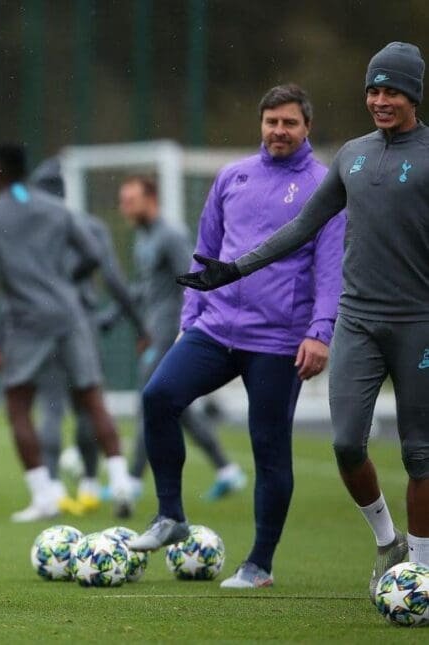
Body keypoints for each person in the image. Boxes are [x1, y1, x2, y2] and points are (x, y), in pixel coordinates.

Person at [178, 43, 429, 595]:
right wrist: (231, 270)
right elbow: (301, 230)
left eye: (392, 91)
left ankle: (420, 570)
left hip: (418, 324)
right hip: (358, 321)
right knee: (346, 445)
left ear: (413, 95)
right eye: (374, 90)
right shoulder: (352, 157)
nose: (380, 100)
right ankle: (388, 542)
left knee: (419, 452)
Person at [130, 83, 346, 590]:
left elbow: (330, 268)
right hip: (215, 328)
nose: (279, 131)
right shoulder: (233, 176)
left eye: (289, 122)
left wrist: (320, 331)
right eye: (271, 122)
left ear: (306, 127)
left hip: (278, 339)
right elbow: (204, 251)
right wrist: (192, 313)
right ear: (261, 124)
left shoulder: (324, 186)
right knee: (158, 396)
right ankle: (170, 515)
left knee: (269, 447)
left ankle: (259, 564)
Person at [0, 144, 135, 522]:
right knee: (92, 400)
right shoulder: (58, 210)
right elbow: (94, 255)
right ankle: (122, 482)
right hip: (71, 314)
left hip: (26, 321)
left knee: (18, 406)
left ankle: (45, 495)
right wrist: (61, 284)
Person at [108, 175, 246, 501]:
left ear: (150, 198)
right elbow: (145, 287)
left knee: (150, 398)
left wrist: (188, 329)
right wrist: (119, 318)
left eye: (131, 199)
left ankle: (131, 481)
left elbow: (193, 279)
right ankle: (228, 470)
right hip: (154, 330)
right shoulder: (143, 238)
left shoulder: (170, 235)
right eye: (122, 200)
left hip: (171, 329)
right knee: (176, 406)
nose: (124, 207)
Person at [27, 157, 147, 514]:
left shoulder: (30, 231)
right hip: (82, 323)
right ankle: (93, 484)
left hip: (42, 325)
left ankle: (49, 490)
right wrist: (141, 326)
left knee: (49, 406)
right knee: (88, 405)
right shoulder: (89, 226)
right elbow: (113, 280)